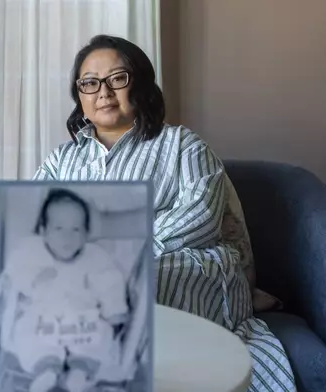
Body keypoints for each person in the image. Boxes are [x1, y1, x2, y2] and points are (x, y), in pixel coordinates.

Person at [32, 35, 296, 391]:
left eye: (117, 78)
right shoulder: (61, 160)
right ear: (79, 95)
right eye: (90, 83)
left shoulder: (182, 145)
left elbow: (200, 215)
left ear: (140, 83)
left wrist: (116, 253)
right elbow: (32, 220)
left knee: (129, 278)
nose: (104, 92)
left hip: (177, 265)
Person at [0, 188, 128, 392]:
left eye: (76, 229)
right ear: (43, 231)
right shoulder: (30, 252)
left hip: (82, 321)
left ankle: (79, 371)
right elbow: (11, 279)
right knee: (28, 335)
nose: (67, 237)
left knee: (101, 335)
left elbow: (110, 282)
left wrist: (113, 308)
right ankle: (46, 370)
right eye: (58, 228)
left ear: (86, 234)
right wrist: (32, 282)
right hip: (42, 319)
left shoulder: (96, 258)